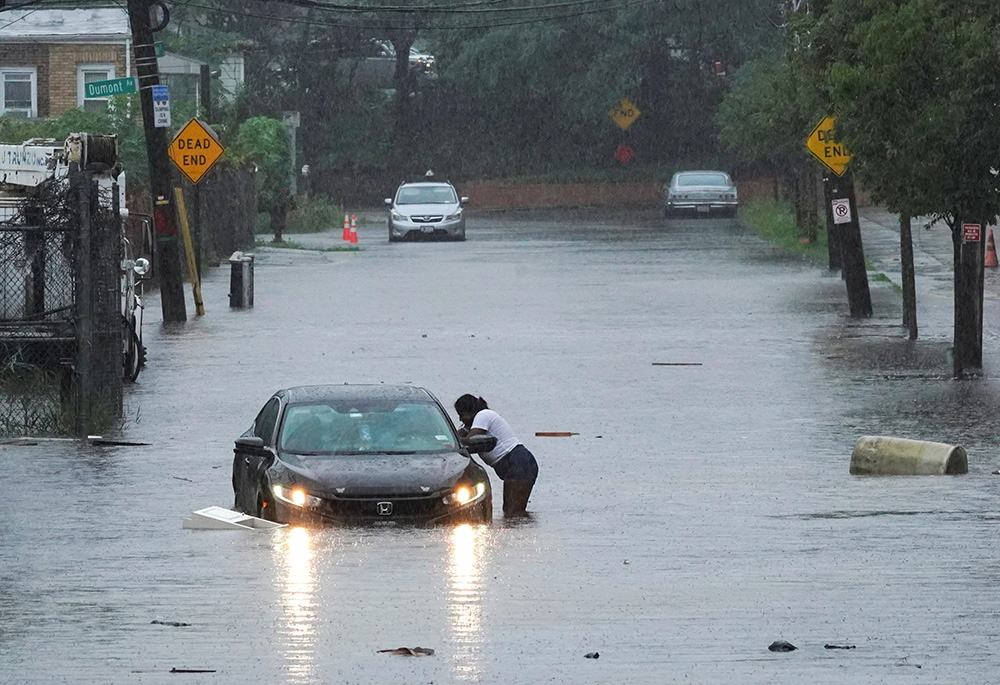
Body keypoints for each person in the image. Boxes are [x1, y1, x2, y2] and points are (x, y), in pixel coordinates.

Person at [454, 394, 538, 517]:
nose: (460, 419)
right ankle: (524, 532)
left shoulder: (484, 415)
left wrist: (454, 442)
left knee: (512, 512)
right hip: (521, 463)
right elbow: (456, 436)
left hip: (518, 462)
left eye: (462, 415)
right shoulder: (475, 423)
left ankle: (522, 534)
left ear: (470, 411)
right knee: (514, 512)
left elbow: (470, 440)